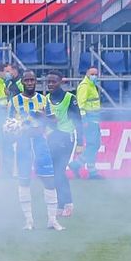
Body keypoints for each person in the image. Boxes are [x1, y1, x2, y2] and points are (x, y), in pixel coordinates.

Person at [7, 70, 63, 231]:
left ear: (36, 82)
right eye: (27, 80)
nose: (30, 82)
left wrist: (43, 117)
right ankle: (29, 221)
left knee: (49, 181)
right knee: (24, 180)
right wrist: (14, 131)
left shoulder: (43, 99)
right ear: (22, 82)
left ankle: (52, 220)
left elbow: (54, 122)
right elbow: (8, 125)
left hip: (40, 143)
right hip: (23, 144)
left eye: (33, 80)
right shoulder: (15, 101)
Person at [45, 71, 84, 216]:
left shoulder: (69, 98)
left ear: (61, 82)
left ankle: (68, 203)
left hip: (66, 139)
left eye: (53, 82)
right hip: (52, 139)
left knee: (60, 172)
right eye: (48, 82)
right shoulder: (46, 99)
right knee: (54, 173)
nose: (50, 84)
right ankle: (60, 205)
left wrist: (80, 142)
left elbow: (78, 121)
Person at [74, 66, 103, 178]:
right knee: (93, 144)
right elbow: (81, 105)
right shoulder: (84, 86)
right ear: (87, 74)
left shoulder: (91, 85)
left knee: (94, 145)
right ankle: (78, 165)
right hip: (89, 120)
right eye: (92, 74)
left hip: (94, 119)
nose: (94, 76)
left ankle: (91, 170)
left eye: (96, 74)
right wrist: (84, 120)